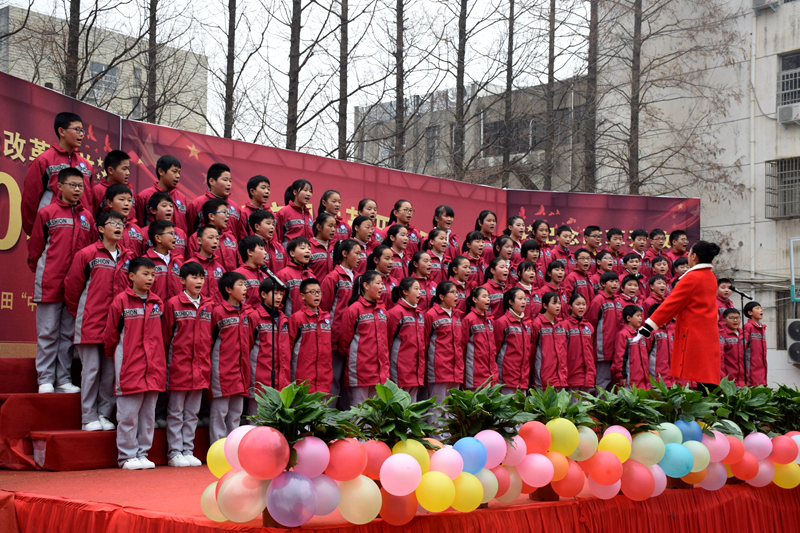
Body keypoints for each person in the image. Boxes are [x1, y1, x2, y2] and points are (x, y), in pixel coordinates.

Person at [28, 167, 96, 394]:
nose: (77, 190)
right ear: (59, 186)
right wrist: (43, 272)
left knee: (67, 334)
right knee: (48, 332)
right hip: (50, 282)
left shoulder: (87, 217)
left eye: (80, 186)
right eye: (72, 185)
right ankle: (45, 379)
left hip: (75, 286)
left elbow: (90, 250)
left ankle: (63, 379)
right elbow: (35, 249)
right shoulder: (47, 213)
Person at [65, 210, 130, 431]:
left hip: (116, 326)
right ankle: (88, 417)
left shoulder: (127, 257)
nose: (118, 226)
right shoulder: (87, 254)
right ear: (101, 229)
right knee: (91, 371)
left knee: (110, 373)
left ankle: (103, 414)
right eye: (113, 223)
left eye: (121, 223)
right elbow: (73, 289)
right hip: (91, 322)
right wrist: (83, 313)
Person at [103, 257, 166, 470]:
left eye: (153, 275)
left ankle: (143, 453)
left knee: (148, 416)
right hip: (130, 367)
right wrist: (121, 359)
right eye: (145, 274)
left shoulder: (157, 303)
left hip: (154, 368)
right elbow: (111, 336)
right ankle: (127, 456)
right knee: (128, 415)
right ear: (131, 276)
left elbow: (163, 336)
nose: (150, 278)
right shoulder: (121, 301)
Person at [639, 240, 722, 386]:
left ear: (694, 256)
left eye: (690, 253)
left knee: (699, 376)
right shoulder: (710, 276)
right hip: (708, 332)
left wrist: (649, 325)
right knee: (706, 375)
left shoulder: (692, 277)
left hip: (693, 333)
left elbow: (672, 304)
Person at [162, 262, 213, 467]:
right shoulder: (173, 304)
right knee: (176, 412)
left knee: (192, 413)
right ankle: (175, 452)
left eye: (201, 277)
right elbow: (165, 337)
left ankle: (188, 450)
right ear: (182, 280)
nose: (199, 281)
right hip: (178, 367)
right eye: (194, 277)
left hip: (201, 368)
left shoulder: (209, 305)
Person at [22, 112, 94, 235]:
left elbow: (89, 203)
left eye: (82, 130)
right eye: (77, 130)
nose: (82, 134)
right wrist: (36, 232)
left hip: (82, 233)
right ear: (61, 131)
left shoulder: (87, 167)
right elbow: (30, 200)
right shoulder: (44, 161)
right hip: (52, 233)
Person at [209, 272, 253, 443]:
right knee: (220, 412)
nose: (245, 288)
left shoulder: (247, 312)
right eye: (240, 284)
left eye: (245, 285)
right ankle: (217, 447)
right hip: (222, 370)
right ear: (228, 289)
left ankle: (233, 447)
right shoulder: (218, 312)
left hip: (241, 370)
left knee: (236, 412)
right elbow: (210, 340)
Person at [340, 271, 390, 406]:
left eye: (382, 283)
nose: (382, 287)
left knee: (376, 411)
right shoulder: (354, 310)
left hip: (380, 370)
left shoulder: (382, 311)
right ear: (366, 286)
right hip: (360, 370)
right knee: (359, 409)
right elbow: (344, 342)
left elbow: (387, 339)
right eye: (378, 283)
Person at [321, 239, 360, 404]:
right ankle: (329, 415)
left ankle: (346, 415)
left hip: (353, 337)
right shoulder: (333, 278)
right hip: (335, 337)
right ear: (344, 254)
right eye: (356, 253)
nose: (360, 257)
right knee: (333, 378)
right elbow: (324, 308)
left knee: (349, 380)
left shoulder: (358, 278)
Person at [249, 278, 290, 405]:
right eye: (275, 293)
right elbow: (248, 345)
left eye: (281, 294)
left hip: (280, 378)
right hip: (260, 376)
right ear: (263, 294)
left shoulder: (284, 319)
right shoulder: (255, 317)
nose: (279, 297)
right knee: (257, 414)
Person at [288, 278, 333, 394]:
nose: (316, 295)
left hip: (324, 378)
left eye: (319, 292)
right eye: (312, 292)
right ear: (302, 296)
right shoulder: (297, 318)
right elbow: (288, 347)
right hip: (303, 377)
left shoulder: (326, 318)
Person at [424, 281, 463, 403]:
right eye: (452, 292)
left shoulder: (457, 315)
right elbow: (425, 341)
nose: (456, 295)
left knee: (451, 407)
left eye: (457, 292)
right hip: (439, 368)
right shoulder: (431, 315)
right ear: (441, 297)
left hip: (456, 369)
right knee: (438, 406)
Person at [387, 278, 426, 400]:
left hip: (417, 367)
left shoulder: (420, 313)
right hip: (401, 366)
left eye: (420, 289)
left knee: (412, 402)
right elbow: (387, 340)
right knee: (399, 401)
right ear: (405, 292)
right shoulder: (395, 313)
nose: (420, 292)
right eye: (416, 289)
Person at [585, 271, 622, 389]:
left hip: (616, 348)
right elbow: (591, 322)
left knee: (614, 383)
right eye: (611, 281)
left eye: (616, 282)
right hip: (603, 349)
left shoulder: (618, 300)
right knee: (603, 380)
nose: (615, 284)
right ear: (603, 284)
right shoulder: (598, 300)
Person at [187, 163, 243, 238]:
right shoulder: (197, 204)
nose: (229, 184)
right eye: (225, 180)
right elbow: (189, 232)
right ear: (212, 181)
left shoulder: (235, 207)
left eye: (230, 181)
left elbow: (240, 236)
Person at [494, 288, 532, 395]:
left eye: (525, 299)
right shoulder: (502, 322)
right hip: (507, 377)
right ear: (510, 301)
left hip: (523, 378)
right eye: (520, 299)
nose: (524, 302)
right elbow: (495, 349)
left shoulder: (527, 324)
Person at [135, 155, 188, 232]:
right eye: (174, 171)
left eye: (179, 173)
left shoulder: (182, 197)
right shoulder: (144, 196)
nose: (178, 176)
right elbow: (139, 226)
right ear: (161, 172)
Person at [460, 287, 497, 390]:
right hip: (474, 373)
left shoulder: (490, 320)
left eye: (488, 296)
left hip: (491, 372)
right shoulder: (468, 319)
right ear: (475, 299)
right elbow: (462, 346)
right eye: (484, 296)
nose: (488, 299)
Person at [558, 293, 596, 392]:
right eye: (578, 304)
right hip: (572, 373)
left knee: (586, 401)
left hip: (587, 375)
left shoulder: (589, 326)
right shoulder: (564, 325)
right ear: (570, 306)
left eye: (584, 304)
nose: (581, 307)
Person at [531, 292, 568, 389]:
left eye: (559, 303)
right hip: (543, 376)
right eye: (554, 303)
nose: (558, 306)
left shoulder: (561, 324)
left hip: (560, 376)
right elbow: (532, 349)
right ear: (545, 305)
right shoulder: (537, 323)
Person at [184, 226, 225, 305]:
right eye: (210, 238)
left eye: (217, 238)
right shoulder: (189, 265)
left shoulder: (220, 268)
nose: (215, 241)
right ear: (199, 240)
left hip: (216, 309)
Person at [195, 198, 238, 272]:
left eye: (228, 213)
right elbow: (192, 265)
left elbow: (239, 263)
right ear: (211, 216)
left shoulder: (231, 238)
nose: (228, 216)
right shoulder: (195, 237)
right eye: (224, 212)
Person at [275, 237, 314, 317]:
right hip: (289, 321)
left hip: (308, 322)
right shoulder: (283, 275)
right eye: (303, 248)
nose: (307, 251)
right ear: (292, 253)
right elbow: (278, 303)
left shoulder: (311, 275)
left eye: (309, 249)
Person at [145, 219, 182, 304]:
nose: (175, 237)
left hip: (174, 309)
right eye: (171, 233)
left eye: (175, 234)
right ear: (158, 238)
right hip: (154, 309)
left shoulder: (177, 262)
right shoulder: (146, 261)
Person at [612, 305, 649, 389]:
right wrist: (621, 375)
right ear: (629, 318)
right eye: (638, 316)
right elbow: (619, 357)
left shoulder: (641, 335)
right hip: (629, 379)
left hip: (642, 380)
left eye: (641, 316)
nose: (640, 318)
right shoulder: (623, 334)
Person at [143, 192, 188, 259]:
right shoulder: (143, 233)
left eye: (171, 206)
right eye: (164, 206)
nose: (169, 209)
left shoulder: (181, 233)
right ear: (153, 210)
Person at [104, 184, 145, 256]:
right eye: (122, 199)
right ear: (109, 203)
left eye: (129, 200)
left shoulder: (137, 229)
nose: (126, 204)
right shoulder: (103, 226)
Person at [92, 150, 131, 219]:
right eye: (124, 169)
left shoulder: (130, 191)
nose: (128, 173)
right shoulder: (97, 191)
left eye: (129, 200)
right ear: (110, 170)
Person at [233, 235, 269, 308]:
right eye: (261, 249)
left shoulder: (265, 275)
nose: (265, 252)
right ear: (250, 252)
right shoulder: (237, 274)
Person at [275, 179, 314, 245]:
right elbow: (277, 237)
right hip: (289, 250)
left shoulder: (308, 214)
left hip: (306, 250)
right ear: (295, 192)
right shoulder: (283, 212)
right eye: (305, 190)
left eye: (310, 191)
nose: (308, 194)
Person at [250, 210, 287, 274]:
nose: (272, 227)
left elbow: (286, 269)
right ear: (257, 227)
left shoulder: (279, 247)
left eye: (273, 224)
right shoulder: (250, 246)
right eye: (268, 223)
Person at [645, 303, 673, 386]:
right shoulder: (651, 332)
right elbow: (645, 352)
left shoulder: (670, 330)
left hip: (669, 375)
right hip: (655, 374)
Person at [366, 245, 398, 310]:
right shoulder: (369, 280)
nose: (391, 262)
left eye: (392, 259)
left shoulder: (394, 281)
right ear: (376, 260)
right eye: (387, 258)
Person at [743, 301, 767, 386]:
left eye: (761, 308)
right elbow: (743, 347)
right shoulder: (748, 326)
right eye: (757, 308)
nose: (761, 310)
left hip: (761, 363)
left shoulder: (762, 328)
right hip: (751, 364)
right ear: (750, 313)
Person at [719, 308, 745, 386]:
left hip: (742, 379)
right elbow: (721, 358)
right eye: (731, 318)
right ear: (724, 320)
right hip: (728, 378)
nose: (735, 320)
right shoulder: (722, 335)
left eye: (737, 318)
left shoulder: (744, 334)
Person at [308, 212, 336, 280]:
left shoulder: (334, 247)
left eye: (334, 226)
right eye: (330, 226)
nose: (333, 230)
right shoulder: (309, 247)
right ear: (319, 227)